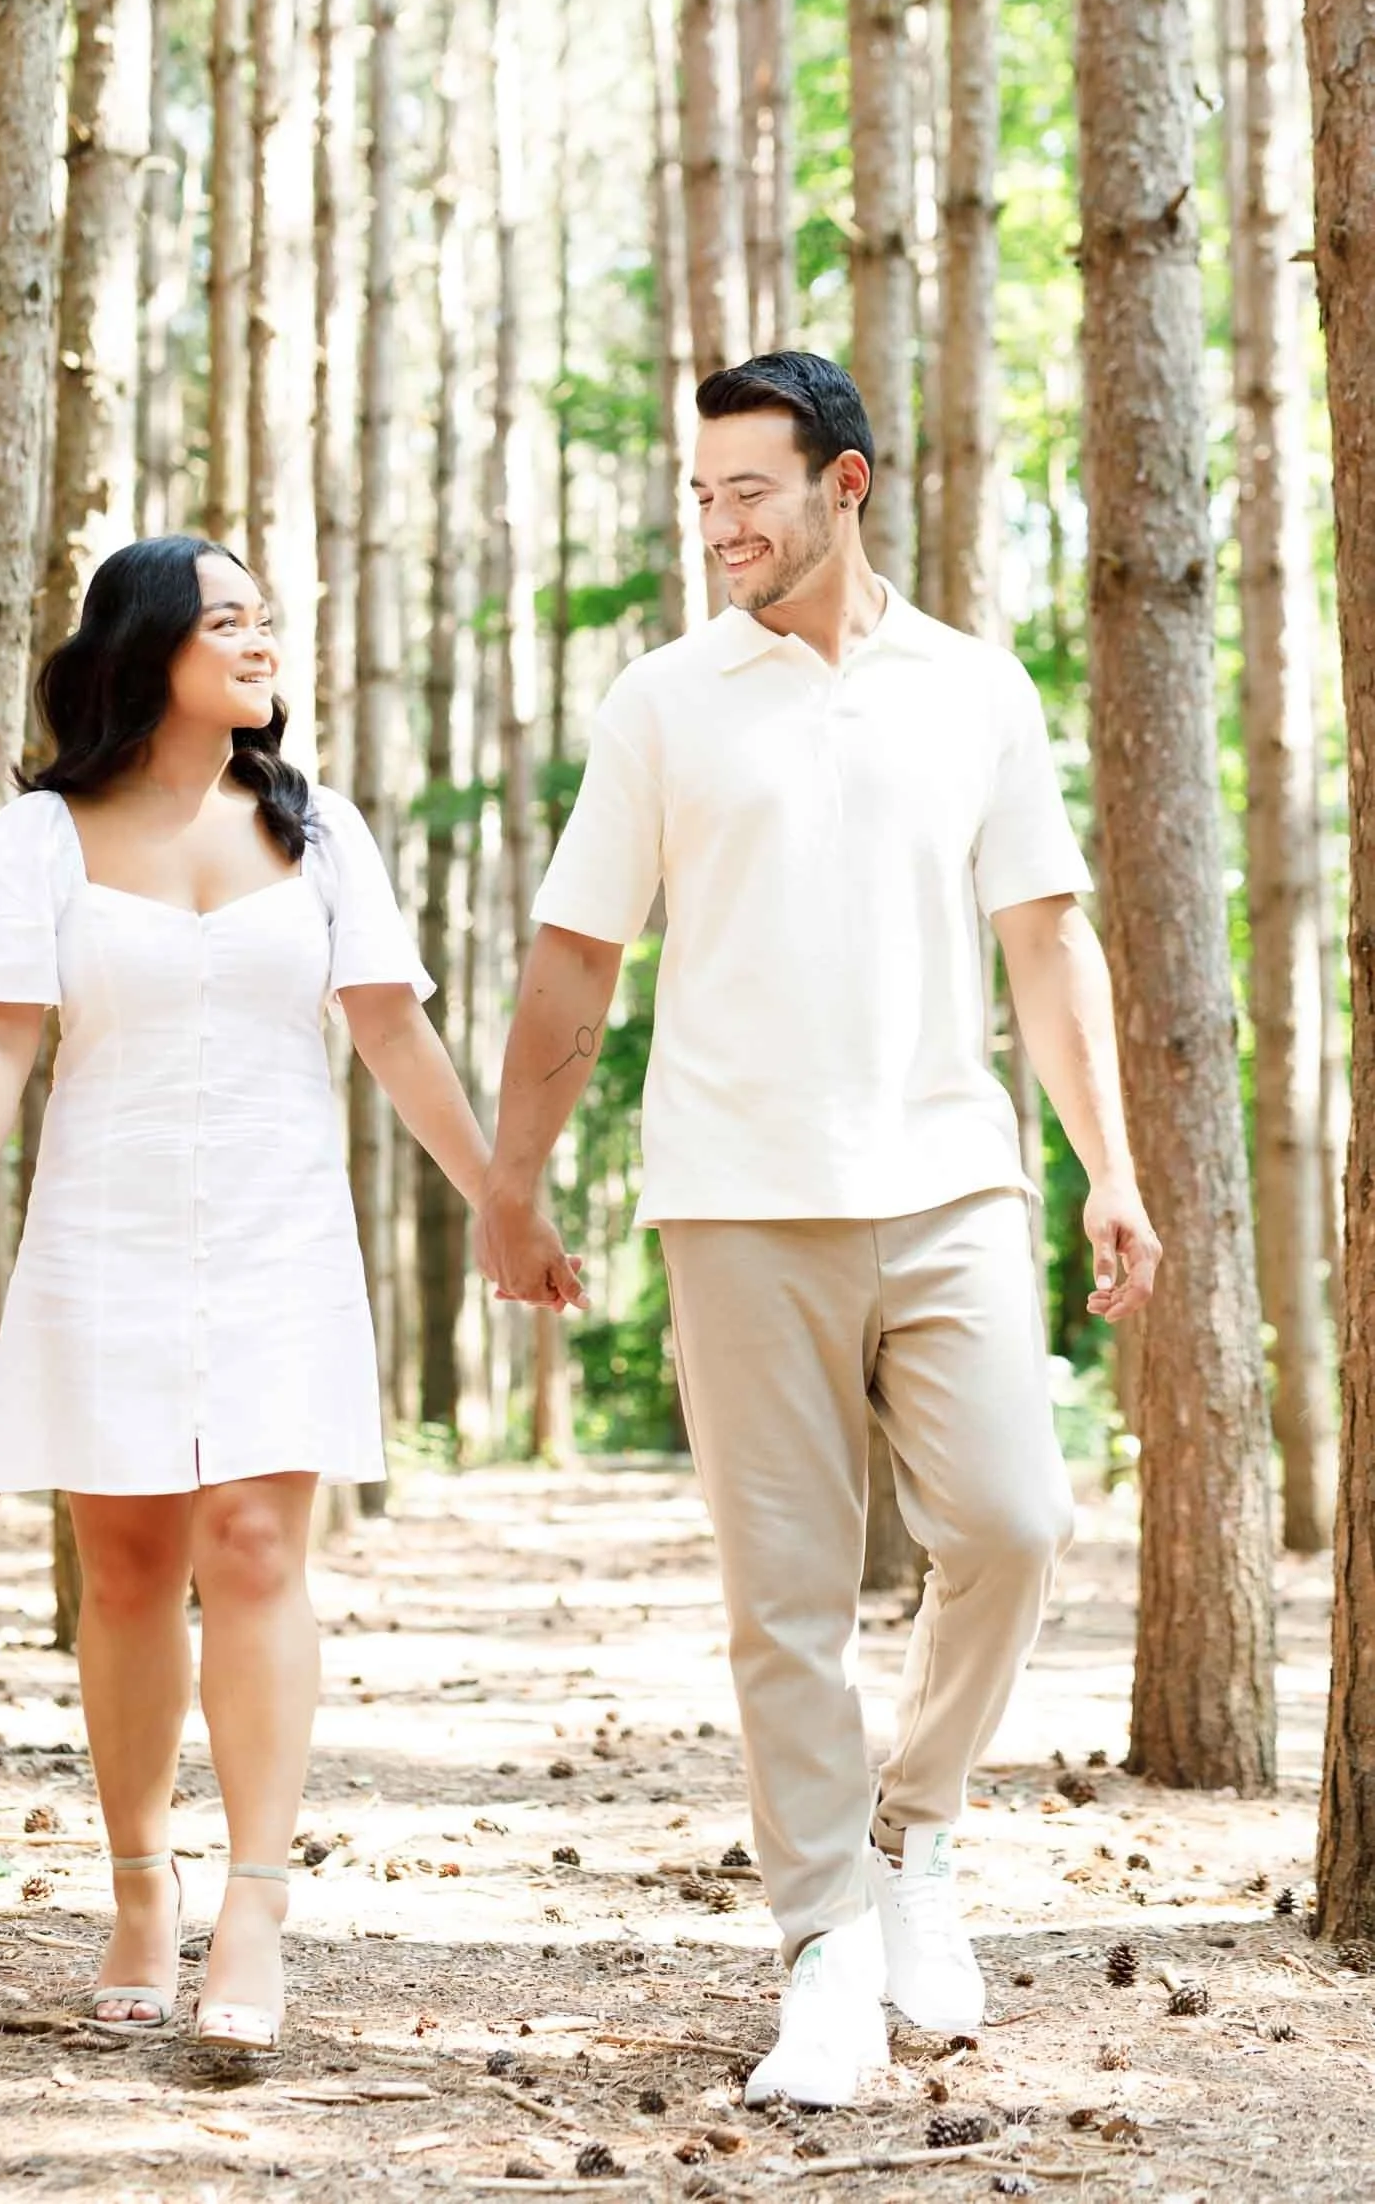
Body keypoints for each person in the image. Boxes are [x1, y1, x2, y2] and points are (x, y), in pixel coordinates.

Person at [475, 353, 1160, 2107]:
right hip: (733, 1195)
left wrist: (1108, 1167)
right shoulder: (662, 703)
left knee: (1012, 1521)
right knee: (783, 1598)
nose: (717, 525)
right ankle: (822, 1952)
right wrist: (511, 1180)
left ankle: (913, 1832)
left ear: (842, 487)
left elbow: (1046, 939)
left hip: (949, 1180)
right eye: (700, 495)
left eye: (748, 493)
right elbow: (575, 954)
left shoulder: (974, 688)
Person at [0, 535, 490, 2050]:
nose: (258, 639)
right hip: (99, 1227)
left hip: (276, 1231)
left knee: (252, 1545)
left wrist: (497, 1191)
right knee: (122, 1568)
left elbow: (393, 1034)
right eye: (224, 618)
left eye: (263, 618)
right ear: (148, 645)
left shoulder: (321, 832)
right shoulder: (42, 835)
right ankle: (137, 1890)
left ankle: (255, 1903)